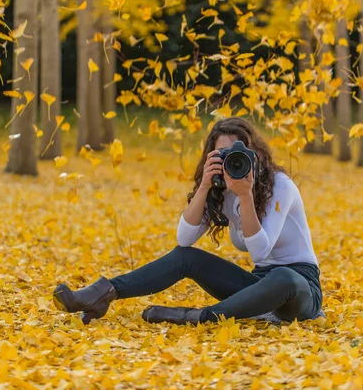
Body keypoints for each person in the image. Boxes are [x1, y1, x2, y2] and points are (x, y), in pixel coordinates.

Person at [53, 117, 323, 325]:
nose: (232, 161)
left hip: (299, 290)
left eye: (238, 154)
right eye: (222, 154)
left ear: (255, 155)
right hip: (258, 288)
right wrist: (205, 186)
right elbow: (183, 240)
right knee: (186, 256)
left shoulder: (280, 186)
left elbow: (261, 251)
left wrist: (245, 196)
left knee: (283, 276)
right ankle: (104, 292)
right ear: (211, 156)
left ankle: (197, 317)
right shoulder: (221, 189)